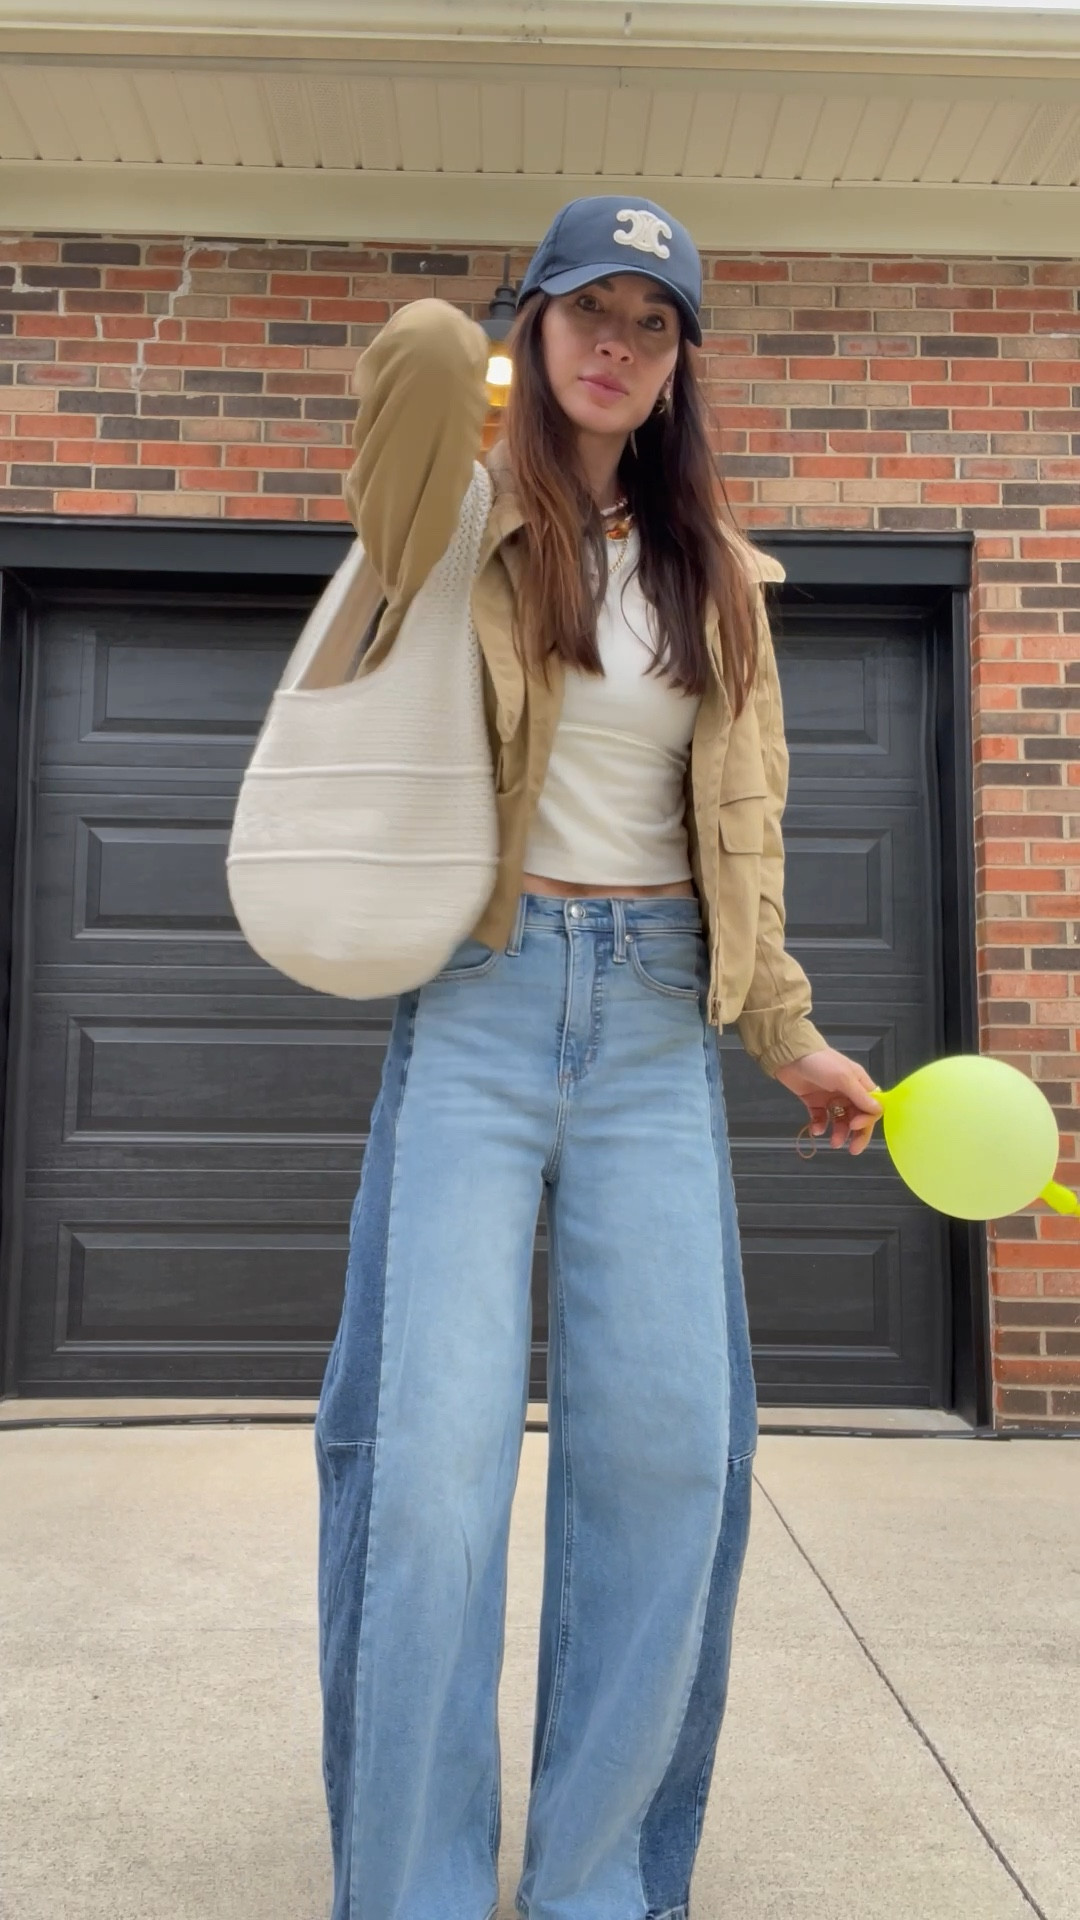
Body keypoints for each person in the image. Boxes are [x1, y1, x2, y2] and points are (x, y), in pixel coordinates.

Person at [314, 194, 882, 1920]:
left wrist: (791, 1039)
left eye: (653, 318)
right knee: (425, 1472)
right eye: (587, 310)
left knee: (669, 1459)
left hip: (651, 1025)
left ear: (684, 356)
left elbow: (747, 830)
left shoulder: (723, 575)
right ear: (539, 328)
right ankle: (408, 1885)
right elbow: (411, 368)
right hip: (480, 1011)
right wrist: (476, 353)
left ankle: (600, 1882)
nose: (619, 342)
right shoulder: (457, 513)